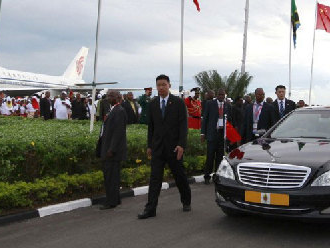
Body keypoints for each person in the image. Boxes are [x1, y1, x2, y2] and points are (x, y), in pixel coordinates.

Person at [138, 74, 191, 219]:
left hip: (174, 148)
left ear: (169, 85)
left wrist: (181, 145)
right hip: (158, 148)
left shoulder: (178, 103)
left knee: (179, 176)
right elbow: (151, 127)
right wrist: (150, 145)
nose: (161, 87)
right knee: (155, 179)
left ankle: (186, 201)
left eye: (164, 84)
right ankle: (150, 209)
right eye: (158, 85)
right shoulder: (153, 104)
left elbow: (183, 126)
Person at [98, 90, 127, 210]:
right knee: (111, 176)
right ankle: (115, 199)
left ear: (117, 97)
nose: (108, 97)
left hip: (112, 151)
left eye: (111, 96)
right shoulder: (113, 109)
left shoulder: (119, 111)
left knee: (111, 177)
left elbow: (118, 132)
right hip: (108, 147)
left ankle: (111, 201)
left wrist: (111, 149)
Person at [201, 88, 231, 184]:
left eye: (223, 95)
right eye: (220, 95)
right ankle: (207, 176)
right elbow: (205, 119)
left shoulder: (227, 105)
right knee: (210, 156)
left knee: (219, 157)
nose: (221, 96)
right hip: (212, 134)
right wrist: (203, 133)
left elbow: (230, 121)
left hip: (222, 135)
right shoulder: (210, 104)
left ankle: (216, 175)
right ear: (217, 95)